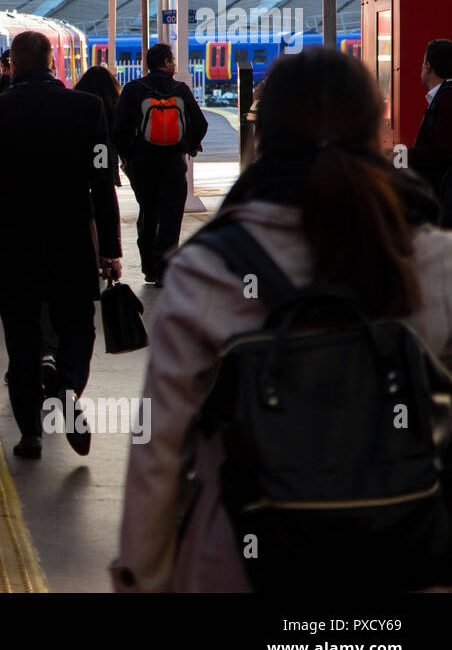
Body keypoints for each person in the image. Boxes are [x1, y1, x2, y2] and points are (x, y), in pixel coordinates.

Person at [113, 48, 452, 591]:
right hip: (403, 561)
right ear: (376, 132)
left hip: (241, 567)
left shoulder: (208, 271)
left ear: (262, 137)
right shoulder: (437, 260)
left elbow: (161, 449)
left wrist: (141, 578)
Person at [0, 31, 122, 459]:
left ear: (11, 65)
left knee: (21, 340)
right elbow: (102, 183)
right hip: (72, 241)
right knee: (77, 323)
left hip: (13, 245)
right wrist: (110, 249)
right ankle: (69, 384)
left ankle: (30, 435)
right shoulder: (88, 109)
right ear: (53, 61)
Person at [112, 43, 207, 285]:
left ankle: (149, 268)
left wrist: (128, 158)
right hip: (173, 163)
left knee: (148, 213)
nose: (174, 65)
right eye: (172, 60)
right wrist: (189, 146)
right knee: (171, 217)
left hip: (142, 164)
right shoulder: (180, 89)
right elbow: (200, 123)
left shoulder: (134, 89)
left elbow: (119, 130)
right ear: (165, 62)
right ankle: (166, 270)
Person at [411, 37, 452, 224]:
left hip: (442, 197)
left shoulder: (446, 98)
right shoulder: (444, 96)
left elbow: (442, 150)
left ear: (428, 67)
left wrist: (399, 157)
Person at [74, 65, 123, 186]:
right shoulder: (115, 105)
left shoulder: (79, 105)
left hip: (82, 157)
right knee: (104, 189)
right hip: (105, 154)